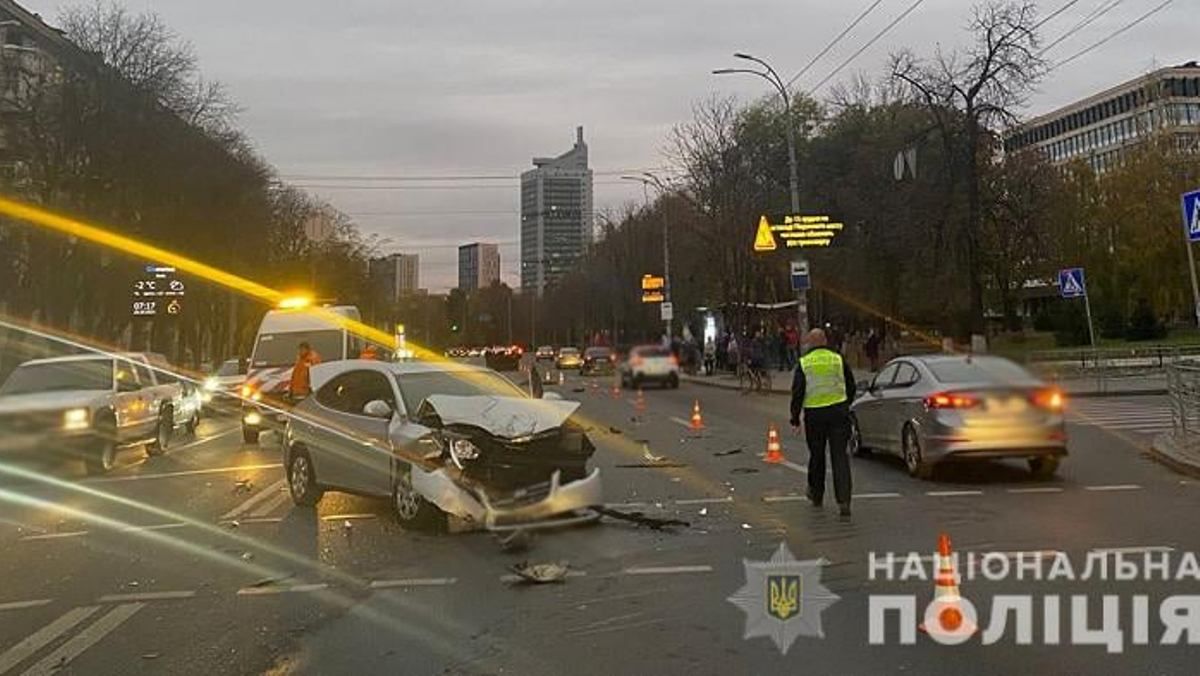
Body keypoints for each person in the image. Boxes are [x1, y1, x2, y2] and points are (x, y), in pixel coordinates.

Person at [789, 328, 857, 517]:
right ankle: (844, 501)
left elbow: (798, 392)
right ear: (825, 341)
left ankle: (816, 494)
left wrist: (794, 417)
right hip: (838, 413)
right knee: (840, 457)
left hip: (815, 416)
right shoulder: (838, 359)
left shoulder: (804, 363)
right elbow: (851, 384)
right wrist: (846, 403)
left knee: (817, 457)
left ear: (809, 343)